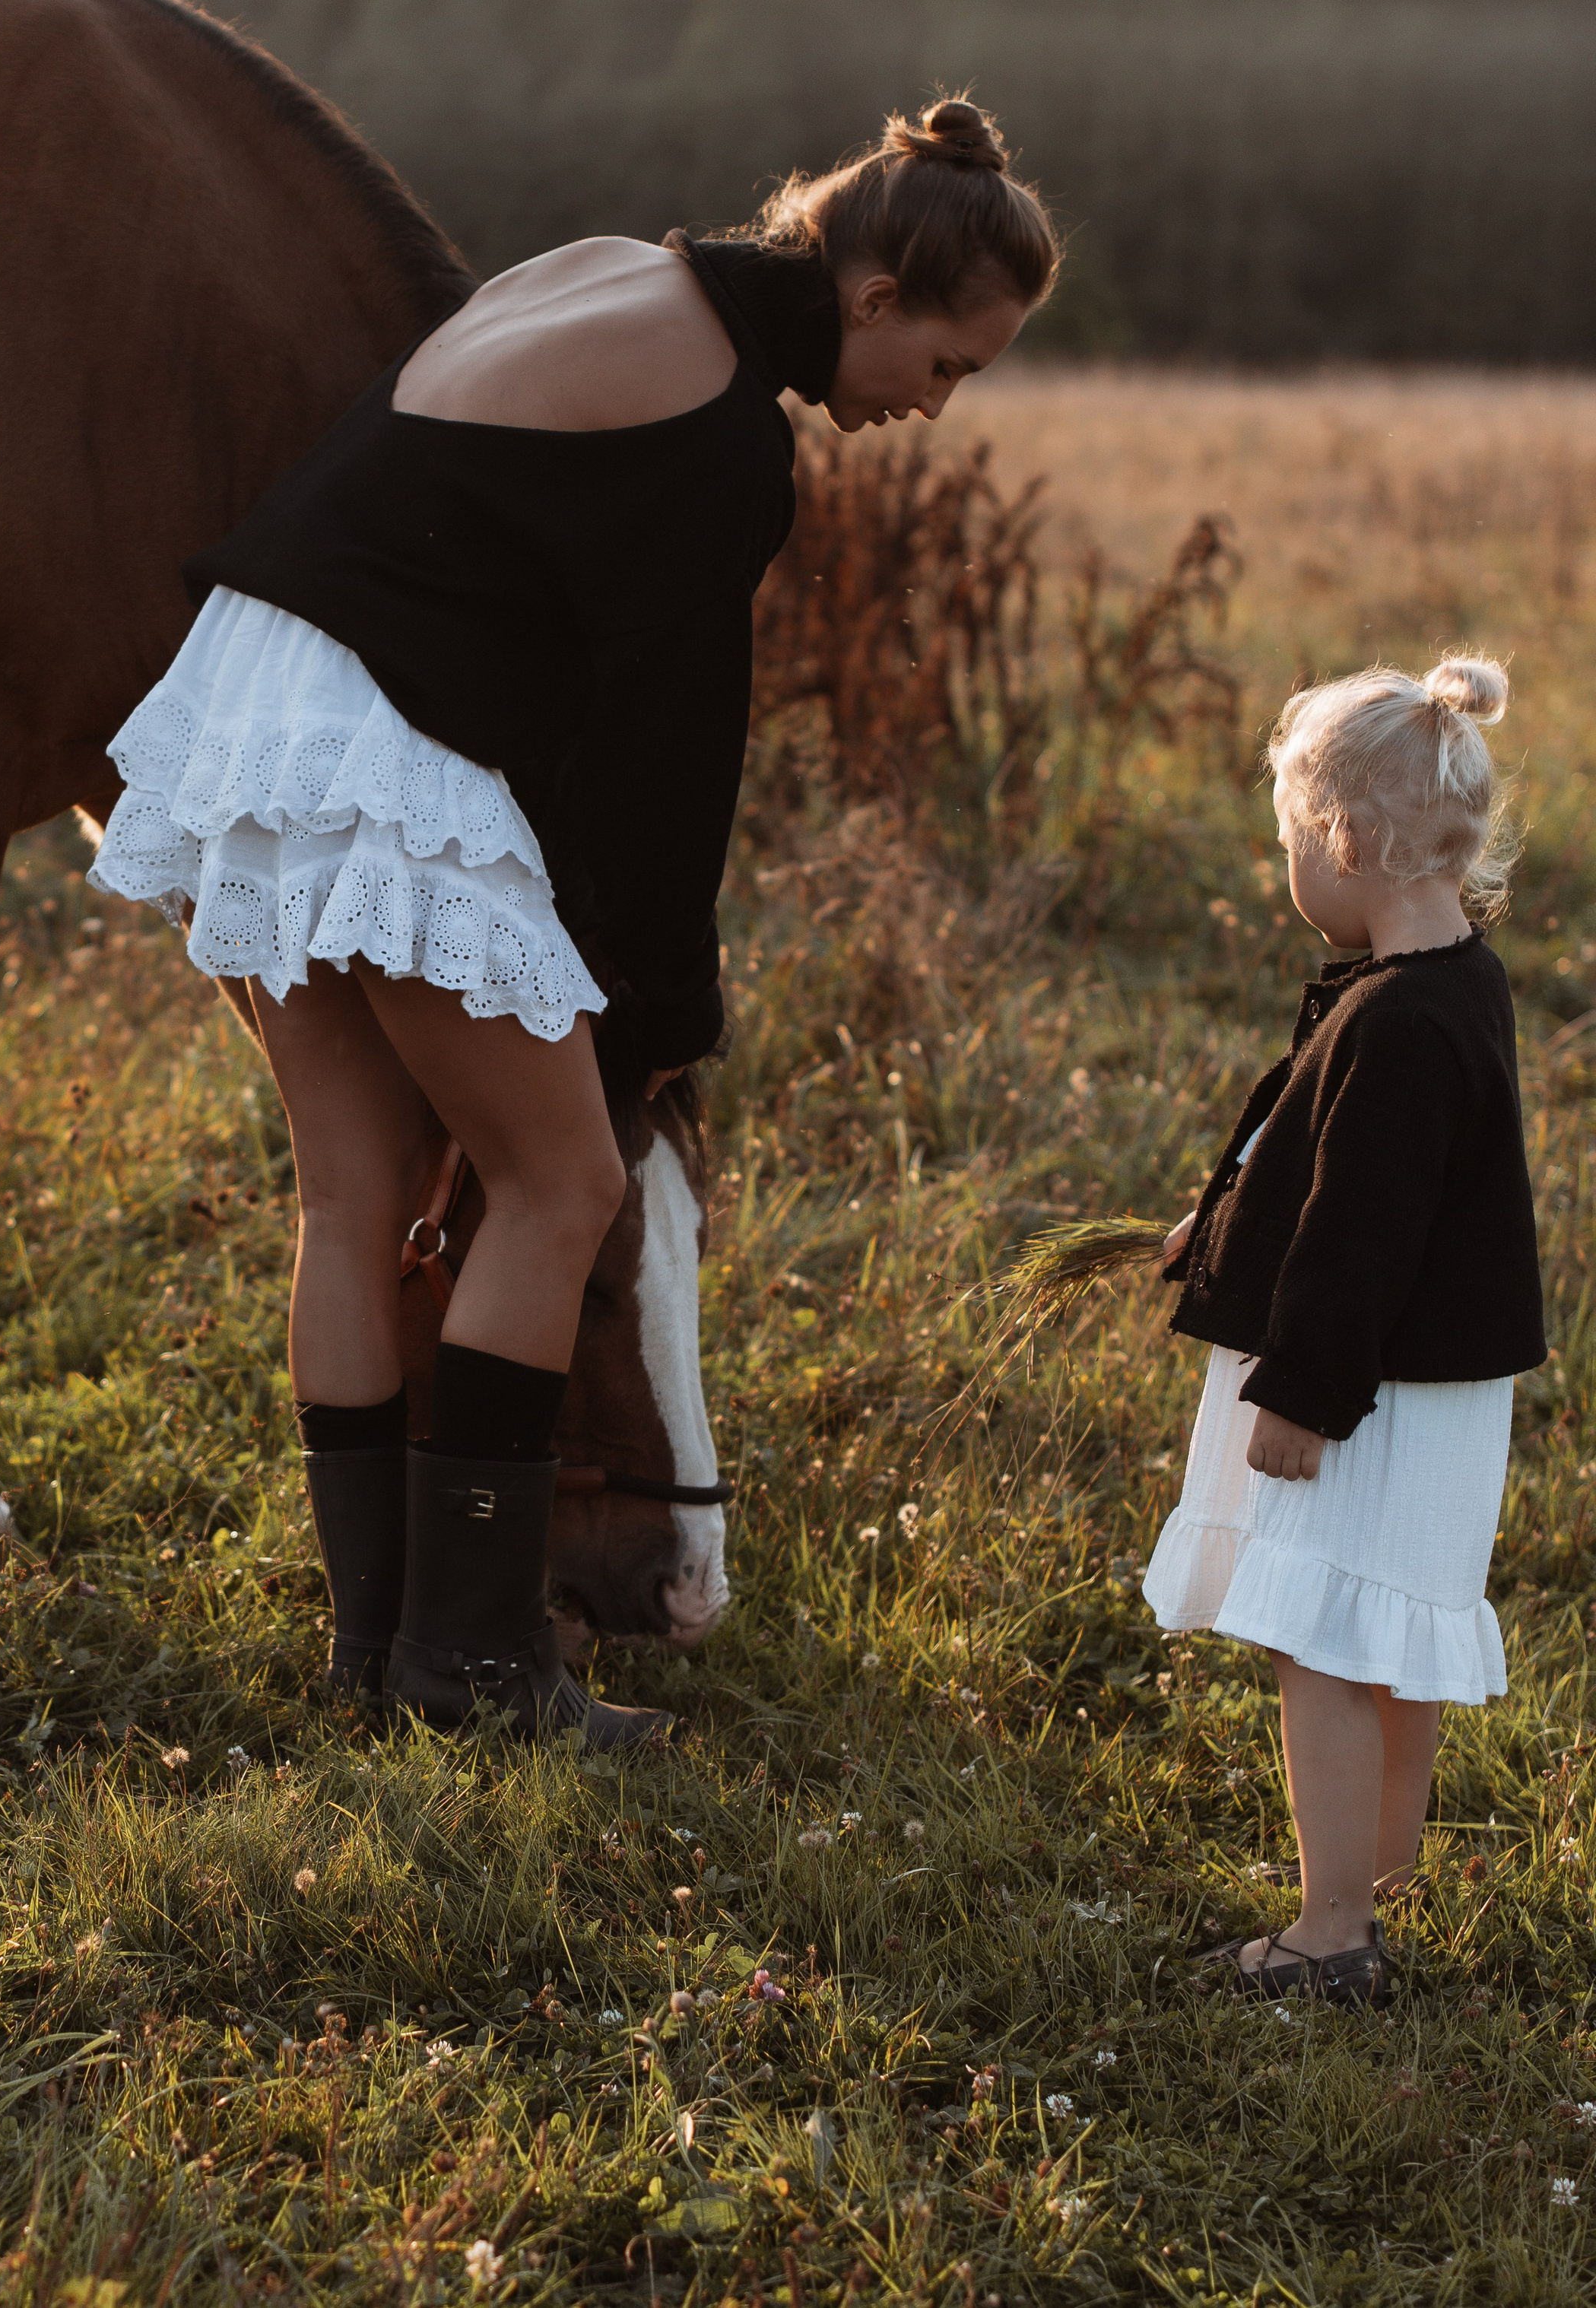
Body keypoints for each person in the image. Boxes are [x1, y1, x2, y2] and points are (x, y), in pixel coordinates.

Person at [90, 100, 1056, 1743]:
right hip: (380, 730)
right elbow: (660, 774)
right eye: (947, 364)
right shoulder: (728, 440)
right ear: (876, 294)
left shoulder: (613, 267)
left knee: (353, 1192)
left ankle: (377, 1645)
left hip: (257, 686)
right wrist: (659, 1022)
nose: (931, 406)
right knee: (564, 1183)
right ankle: (476, 1667)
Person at [1144, 657, 1543, 2002]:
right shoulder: (1453, 981)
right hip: (1437, 1389)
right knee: (1390, 1642)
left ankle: (1330, 1935)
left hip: (1364, 1388)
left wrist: (1301, 1394)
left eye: (1290, 845)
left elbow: (1362, 1229)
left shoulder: (1396, 1022)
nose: (1289, 872)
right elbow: (1317, 1156)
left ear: (1349, 840)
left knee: (1318, 1644)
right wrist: (1218, 1221)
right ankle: (1383, 1879)